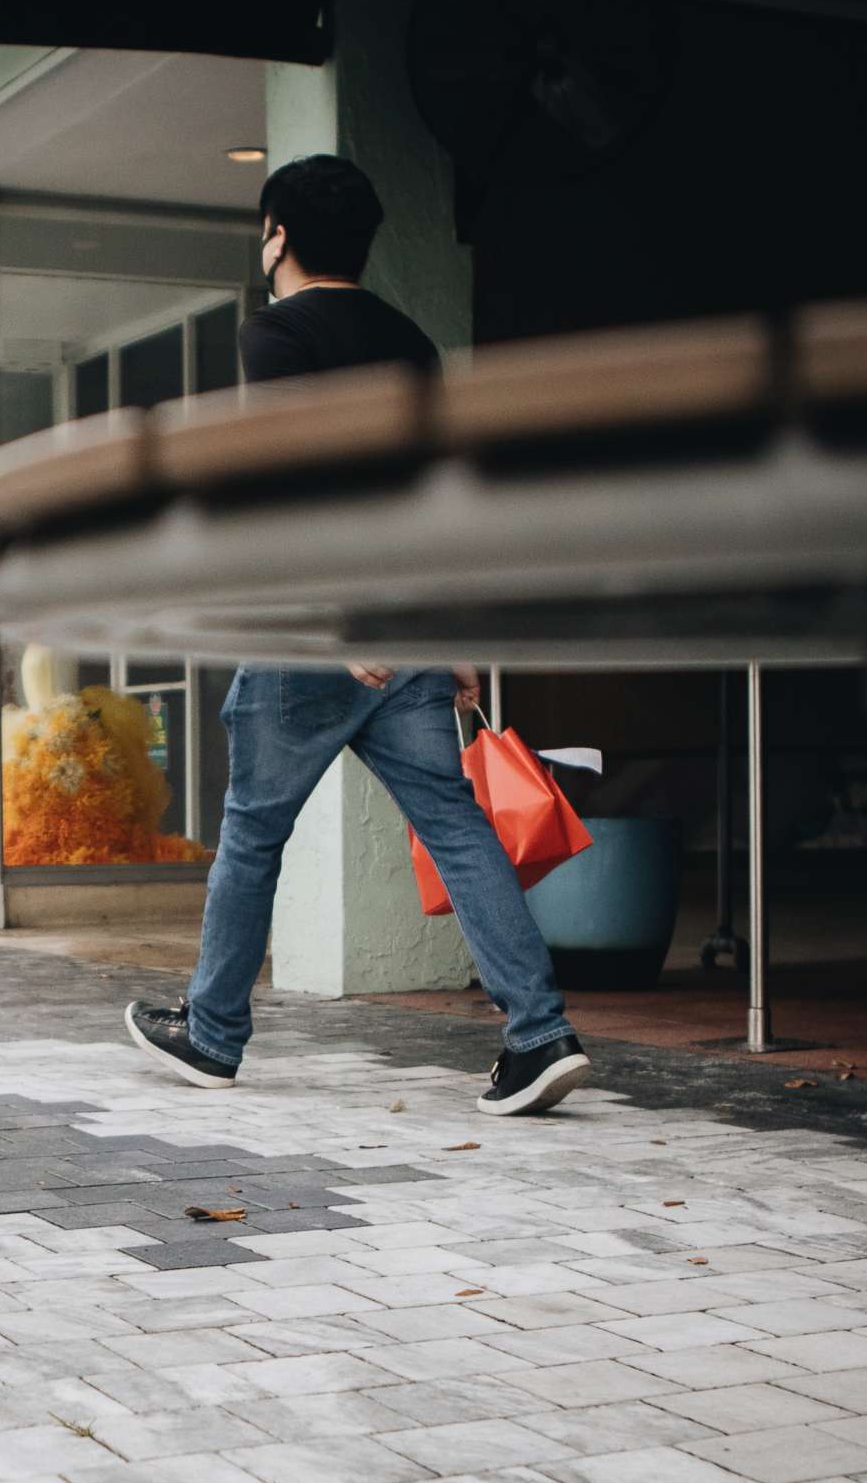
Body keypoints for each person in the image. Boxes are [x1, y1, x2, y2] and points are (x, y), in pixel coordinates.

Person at [124, 155, 593, 1118]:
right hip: (411, 624)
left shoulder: (277, 334)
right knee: (458, 831)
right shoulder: (413, 345)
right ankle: (538, 1033)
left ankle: (212, 1035)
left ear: (278, 236)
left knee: (253, 833)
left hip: (320, 632)